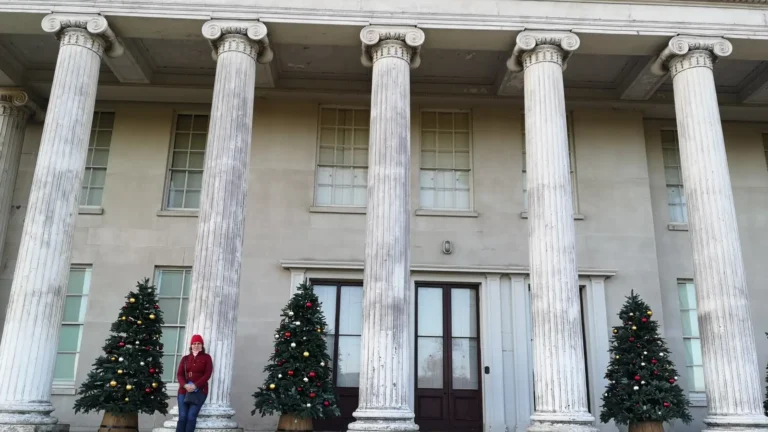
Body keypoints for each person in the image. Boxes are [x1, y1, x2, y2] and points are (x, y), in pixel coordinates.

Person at [175, 334, 213, 432]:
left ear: (202, 345)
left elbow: (207, 374)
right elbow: (179, 374)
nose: (196, 345)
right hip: (184, 391)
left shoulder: (207, 357)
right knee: (182, 416)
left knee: (191, 416)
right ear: (191, 345)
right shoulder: (185, 359)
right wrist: (185, 385)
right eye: (194, 343)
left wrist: (195, 385)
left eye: (199, 343)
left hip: (199, 391)